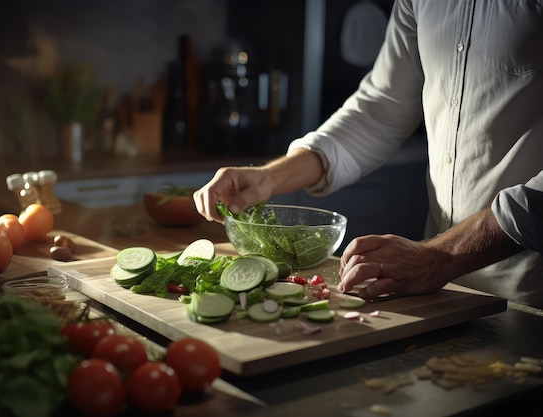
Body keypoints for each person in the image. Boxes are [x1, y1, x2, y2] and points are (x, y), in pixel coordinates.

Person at [193, 0, 543, 308]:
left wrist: (441, 256)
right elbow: (381, 108)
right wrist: (269, 177)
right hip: (443, 294)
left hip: (528, 293)